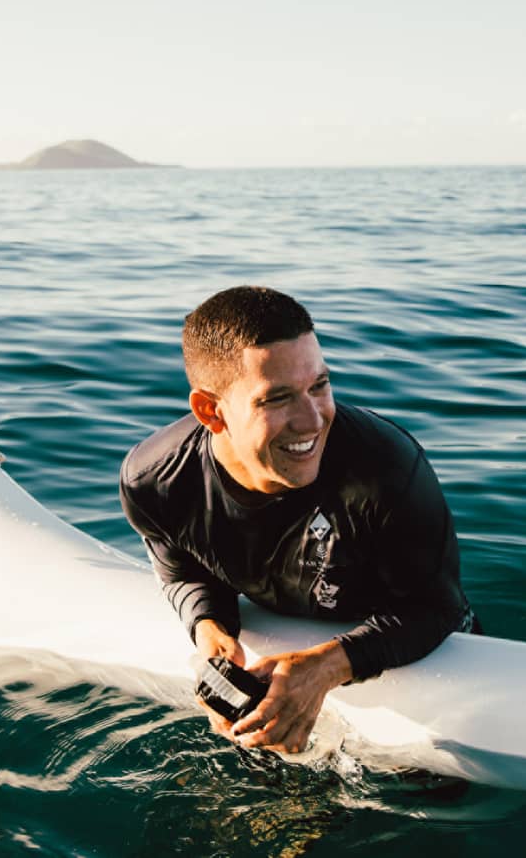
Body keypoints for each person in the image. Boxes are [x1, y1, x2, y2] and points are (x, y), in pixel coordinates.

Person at [119, 286, 477, 753]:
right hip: (289, 651)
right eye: (277, 398)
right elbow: (185, 571)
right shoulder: (156, 482)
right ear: (211, 411)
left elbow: (438, 607)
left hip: (417, 657)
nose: (312, 420)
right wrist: (211, 633)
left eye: (320, 385)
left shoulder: (386, 468)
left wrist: (325, 667)